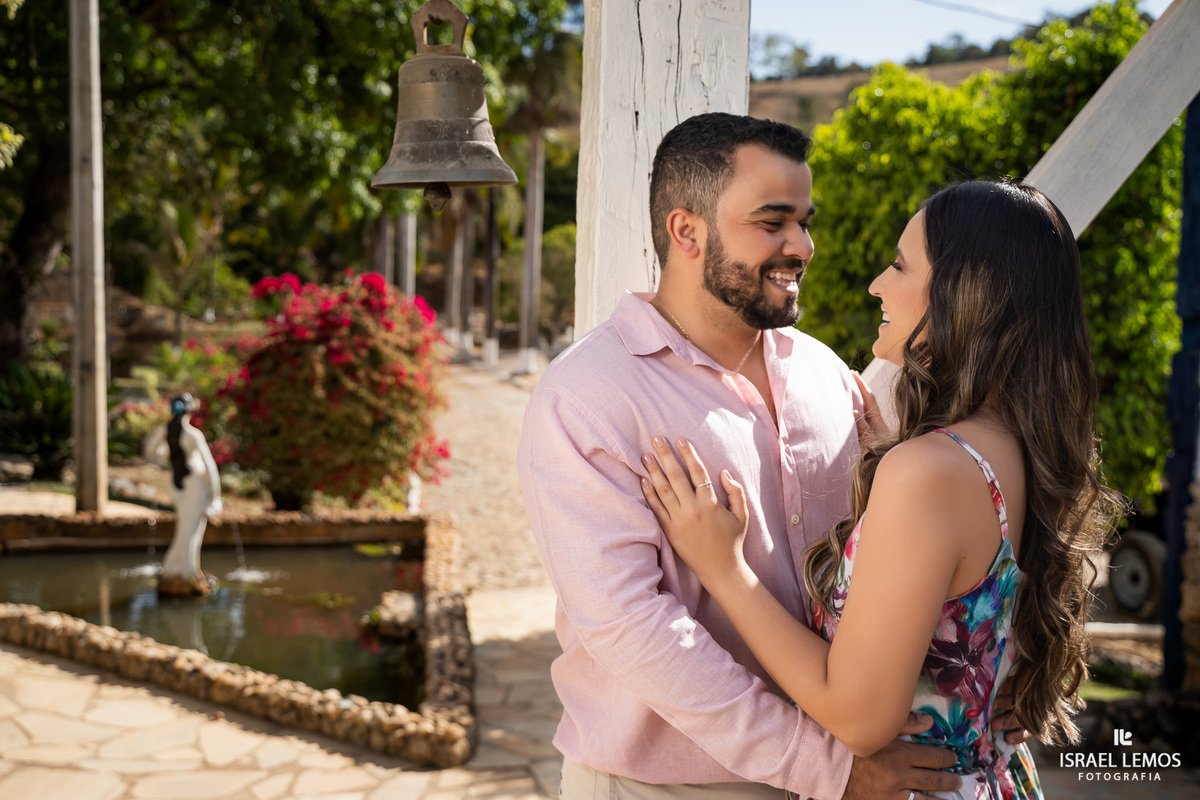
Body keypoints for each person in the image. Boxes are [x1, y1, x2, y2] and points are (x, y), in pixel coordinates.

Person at [519, 112, 979, 800]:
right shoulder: (587, 396)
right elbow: (633, 629)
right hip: (666, 787)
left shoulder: (827, 376)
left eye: (804, 220)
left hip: (843, 765)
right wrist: (824, 766)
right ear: (687, 231)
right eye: (772, 222)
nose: (803, 245)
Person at [639, 181, 1121, 799]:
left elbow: (863, 719)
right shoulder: (1021, 446)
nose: (877, 285)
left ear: (963, 294)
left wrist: (724, 568)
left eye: (899, 265)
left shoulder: (929, 472)